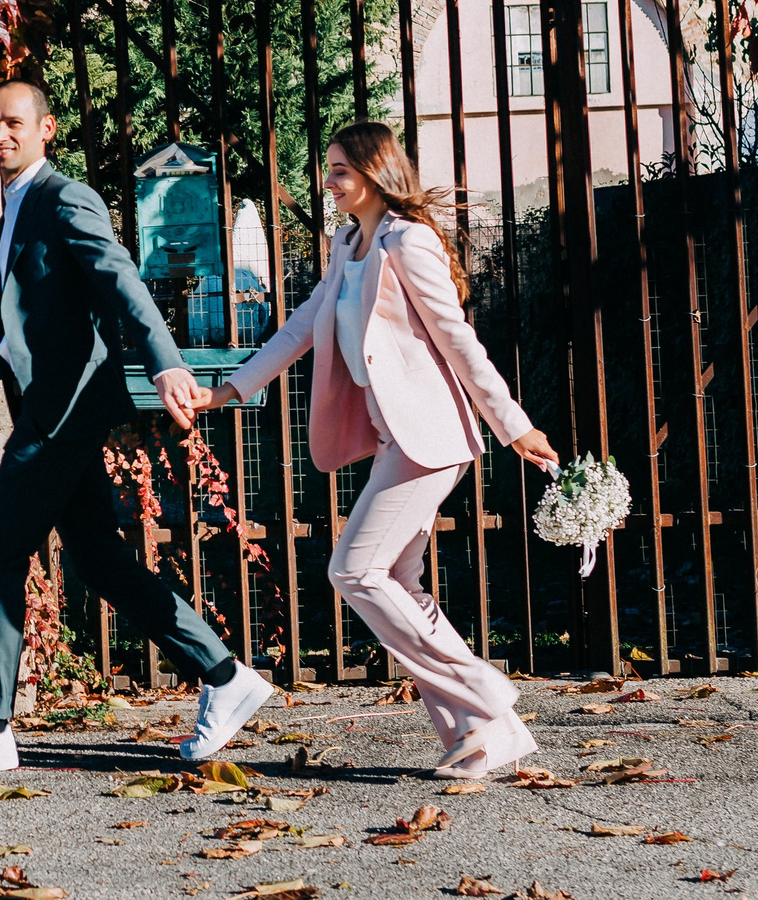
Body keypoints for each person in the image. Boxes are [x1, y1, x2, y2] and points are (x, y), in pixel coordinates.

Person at [0, 79, 277, 775]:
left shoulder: (63, 197)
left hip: (61, 415)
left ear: (47, 129)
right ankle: (226, 677)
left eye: (14, 123)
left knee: (0, 557)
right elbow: (1, 332)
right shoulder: (14, 204)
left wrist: (164, 363)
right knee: (101, 561)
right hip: (56, 415)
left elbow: (121, 280)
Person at [202, 121, 561, 780]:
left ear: (372, 173)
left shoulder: (408, 241)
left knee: (355, 570)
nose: (328, 182)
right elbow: (304, 325)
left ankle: (485, 698)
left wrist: (513, 425)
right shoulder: (349, 243)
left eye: (339, 169)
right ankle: (482, 736)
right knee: (398, 584)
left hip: (431, 437)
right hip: (398, 434)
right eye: (329, 168)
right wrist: (229, 389)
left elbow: (457, 338)